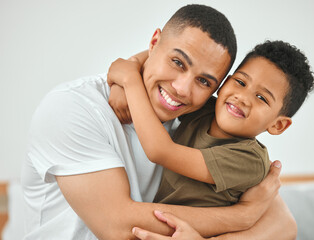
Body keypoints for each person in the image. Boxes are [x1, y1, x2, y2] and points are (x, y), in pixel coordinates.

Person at [21, 4, 296, 240]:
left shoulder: (201, 118)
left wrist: (129, 73)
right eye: (177, 62)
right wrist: (242, 217)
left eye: (203, 81)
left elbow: (283, 225)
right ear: (153, 44)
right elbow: (117, 226)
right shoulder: (73, 108)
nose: (182, 89)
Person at [107, 40, 314, 208]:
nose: (242, 97)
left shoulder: (250, 160)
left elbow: (160, 151)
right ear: (224, 83)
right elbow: (156, 59)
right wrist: (129, 70)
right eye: (241, 83)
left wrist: (129, 81)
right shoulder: (207, 110)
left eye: (261, 98)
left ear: (278, 125)